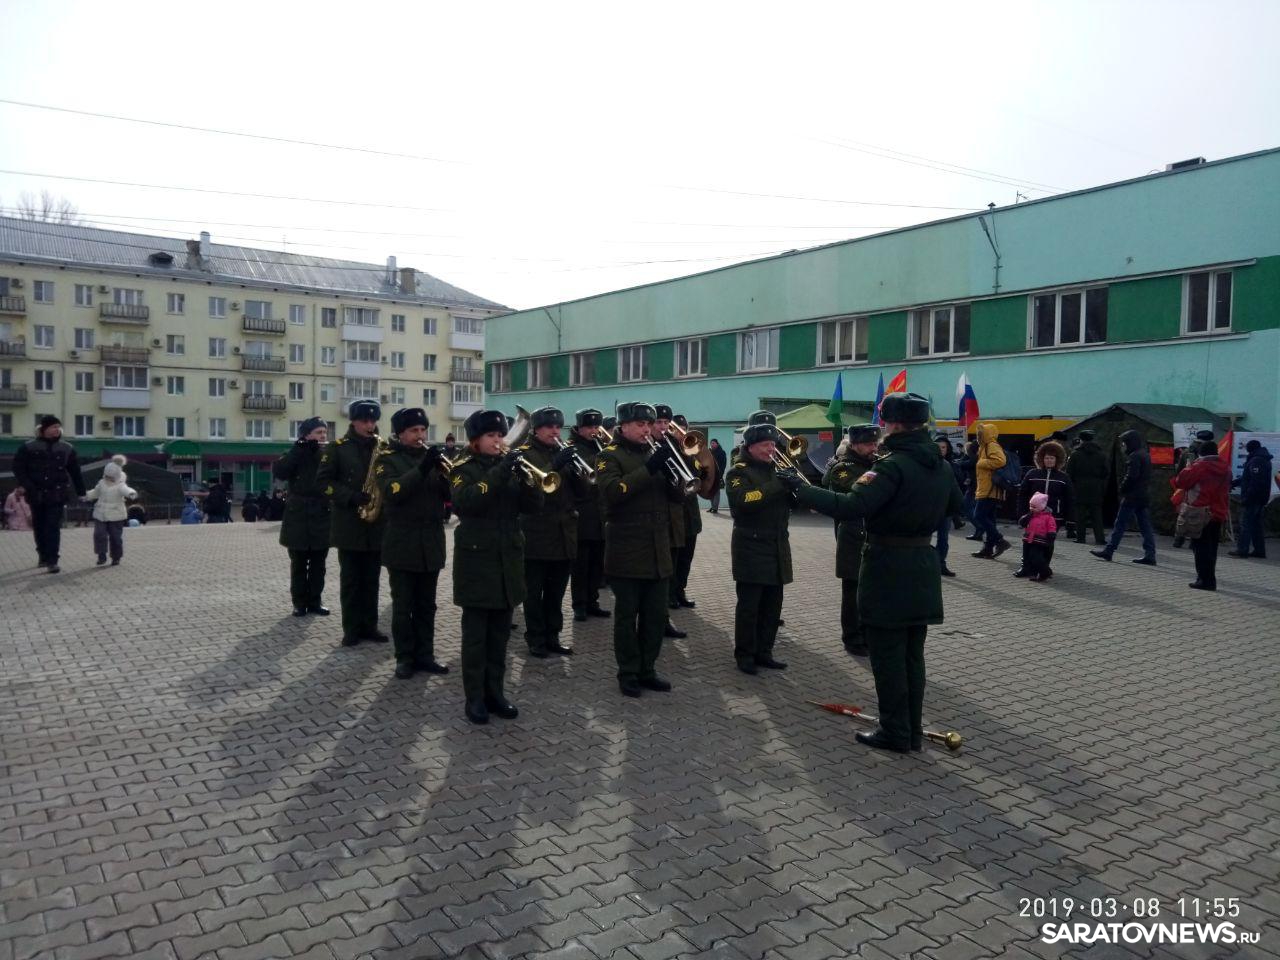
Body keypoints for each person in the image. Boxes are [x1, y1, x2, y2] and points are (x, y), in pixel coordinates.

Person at [787, 393, 964, 754]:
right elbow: (956, 506)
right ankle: (911, 730)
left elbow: (852, 506)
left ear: (893, 424)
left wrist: (802, 489)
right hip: (923, 563)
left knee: (887, 657)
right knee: (913, 656)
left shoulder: (890, 466)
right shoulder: (941, 465)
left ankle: (895, 732)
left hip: (888, 566)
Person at [451, 408, 543, 723]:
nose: (498, 440)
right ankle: (474, 698)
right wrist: (502, 471)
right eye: (491, 435)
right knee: (477, 638)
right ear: (475, 440)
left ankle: (496, 693)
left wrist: (529, 482)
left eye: (501, 435)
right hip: (477, 561)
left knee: (500, 636)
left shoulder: (510, 466)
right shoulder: (463, 468)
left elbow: (534, 506)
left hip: (508, 560)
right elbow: (467, 502)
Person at [596, 401, 685, 697]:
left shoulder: (653, 452)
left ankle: (648, 669)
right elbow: (613, 492)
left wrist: (676, 476)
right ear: (623, 426)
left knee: (655, 616)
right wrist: (649, 469)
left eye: (649, 424)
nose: (646, 429)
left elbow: (677, 497)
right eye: (640, 424)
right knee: (627, 617)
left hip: (658, 550)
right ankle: (628, 671)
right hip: (627, 550)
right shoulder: (609, 456)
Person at [378, 407, 451, 678]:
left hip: (431, 541)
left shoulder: (433, 459)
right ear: (400, 433)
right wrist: (422, 468)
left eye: (423, 430)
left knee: (427, 605)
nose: (420, 435)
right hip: (402, 541)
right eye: (413, 431)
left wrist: (445, 477)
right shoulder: (387, 459)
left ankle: (425, 655)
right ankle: (404, 657)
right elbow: (392, 492)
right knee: (403, 606)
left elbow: (450, 495)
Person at [518, 406, 589, 658]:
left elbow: (583, 494)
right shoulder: (524, 454)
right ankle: (535, 638)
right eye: (549, 427)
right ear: (536, 429)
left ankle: (553, 635)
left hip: (563, 534)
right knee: (533, 592)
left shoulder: (565, 451)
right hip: (536, 533)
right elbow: (529, 492)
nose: (555, 431)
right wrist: (555, 465)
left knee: (556, 592)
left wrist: (579, 474)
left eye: (558, 427)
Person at [317, 400, 389, 646]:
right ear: (354, 422)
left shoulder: (383, 447)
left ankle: (370, 626)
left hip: (375, 523)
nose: (370, 425)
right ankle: (351, 629)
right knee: (351, 581)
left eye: (373, 421)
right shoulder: (337, 448)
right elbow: (323, 483)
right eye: (364, 421)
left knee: (371, 579)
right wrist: (350, 496)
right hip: (349, 524)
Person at [725, 421, 792, 675]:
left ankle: (765, 651)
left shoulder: (778, 469)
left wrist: (796, 488)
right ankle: (745, 654)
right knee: (749, 607)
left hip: (777, 545)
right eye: (766, 445)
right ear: (751, 446)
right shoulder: (738, 473)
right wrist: (779, 485)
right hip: (750, 546)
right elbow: (745, 500)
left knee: (772, 606)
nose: (771, 449)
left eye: (773, 444)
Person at [822, 423, 879, 654]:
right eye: (868, 444)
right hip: (852, 536)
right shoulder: (842, 468)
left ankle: (867, 633)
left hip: (872, 536)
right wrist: (881, 471)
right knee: (852, 589)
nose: (873, 448)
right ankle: (852, 637)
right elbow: (858, 492)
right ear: (854, 445)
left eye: (875, 443)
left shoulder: (874, 464)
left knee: (870, 589)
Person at [274, 417, 333, 617]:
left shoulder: (327, 453)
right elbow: (281, 472)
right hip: (297, 515)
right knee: (298, 563)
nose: (323, 436)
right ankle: (299, 603)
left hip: (321, 513)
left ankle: (315, 601)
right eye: (318, 432)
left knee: (319, 564)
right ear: (306, 435)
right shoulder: (295, 452)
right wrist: (299, 449)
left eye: (324, 432)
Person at [12, 415, 86, 573]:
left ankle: (53, 561)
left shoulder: (67, 448)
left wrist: (81, 492)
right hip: (36, 493)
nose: (57, 430)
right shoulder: (28, 447)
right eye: (53, 427)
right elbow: (18, 469)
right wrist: (28, 486)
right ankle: (43, 556)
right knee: (39, 526)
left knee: (53, 526)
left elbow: (75, 471)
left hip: (57, 493)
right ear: (44, 429)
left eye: (58, 427)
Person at [651, 404, 690, 639]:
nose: (663, 427)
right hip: (654, 521)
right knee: (656, 576)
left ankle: (664, 619)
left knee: (669, 571)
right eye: (658, 422)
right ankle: (656, 620)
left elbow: (686, 478)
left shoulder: (673, 445)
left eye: (666, 423)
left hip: (673, 518)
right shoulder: (645, 447)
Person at [569, 408, 610, 622]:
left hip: (601, 515)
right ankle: (579, 605)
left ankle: (593, 602)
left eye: (596, 427)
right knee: (581, 565)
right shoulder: (572, 448)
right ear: (579, 428)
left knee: (597, 563)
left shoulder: (602, 445)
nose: (594, 431)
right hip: (583, 515)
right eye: (589, 427)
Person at [1092, 430, 1156, 565]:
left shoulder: (1134, 456)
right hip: (1143, 495)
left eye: (1124, 443)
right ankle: (1150, 554)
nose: (1123, 446)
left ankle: (1109, 550)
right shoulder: (1145, 454)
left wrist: (1122, 488)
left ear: (1130, 443)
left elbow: (1132, 476)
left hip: (1132, 496)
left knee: (1120, 524)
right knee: (1145, 526)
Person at [1173, 441, 1231, 590]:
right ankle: (1210, 578)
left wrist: (1188, 465)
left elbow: (1180, 481)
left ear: (1200, 453)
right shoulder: (1226, 467)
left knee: (1199, 547)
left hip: (1200, 512)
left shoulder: (1199, 466)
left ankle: (1204, 580)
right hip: (1218, 511)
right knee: (1212, 548)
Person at [669, 413, 708, 610]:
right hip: (674, 513)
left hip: (690, 513)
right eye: (678, 428)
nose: (682, 432)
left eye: (684, 428)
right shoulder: (666, 449)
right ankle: (670, 594)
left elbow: (699, 475)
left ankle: (680, 591)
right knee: (674, 559)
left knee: (686, 559)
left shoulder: (692, 450)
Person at [85, 454, 136, 566]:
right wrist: (86, 496)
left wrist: (131, 493)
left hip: (116, 514)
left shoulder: (121, 485)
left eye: (111, 477)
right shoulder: (101, 483)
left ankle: (116, 557)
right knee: (99, 534)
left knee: (115, 537)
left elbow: (126, 490)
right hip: (100, 513)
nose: (108, 478)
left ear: (117, 476)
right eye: (107, 476)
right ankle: (101, 555)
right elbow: (95, 492)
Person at [971, 423, 1012, 559]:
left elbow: (1000, 461)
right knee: (989, 519)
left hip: (990, 489)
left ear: (987, 434)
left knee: (979, 515)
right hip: (987, 488)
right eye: (978, 433)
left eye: (981, 433)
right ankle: (988, 549)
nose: (979, 436)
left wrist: (981, 463)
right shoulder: (984, 447)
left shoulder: (992, 445)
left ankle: (1000, 541)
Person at [1229, 439, 1273, 559]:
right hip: (1260, 498)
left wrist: (1247, 497)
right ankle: (1259, 550)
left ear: (1251, 448)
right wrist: (1234, 483)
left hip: (1253, 498)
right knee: (1256, 526)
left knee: (1246, 524)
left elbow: (1255, 482)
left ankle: (1242, 549)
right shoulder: (1262, 458)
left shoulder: (1256, 460)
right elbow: (1247, 478)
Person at [1065, 429, 1108, 545]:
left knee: (1080, 514)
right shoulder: (1101, 454)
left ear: (1080, 440)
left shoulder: (1075, 454)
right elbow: (1105, 472)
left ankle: (1081, 538)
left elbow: (1069, 472)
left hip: (1079, 487)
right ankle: (1100, 538)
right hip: (1096, 487)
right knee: (1097, 514)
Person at [933, 434, 962, 578]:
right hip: (930, 507)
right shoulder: (927, 464)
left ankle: (941, 564)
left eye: (943, 447)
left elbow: (958, 484)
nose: (941, 450)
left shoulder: (952, 465)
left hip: (946, 508)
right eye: (938, 447)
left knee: (943, 538)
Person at [1017, 492, 1058, 582]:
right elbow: (1022, 523)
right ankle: (1029, 571)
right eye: (1030, 506)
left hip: (1040, 540)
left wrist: (1051, 534)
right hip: (1028, 539)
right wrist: (1025, 518)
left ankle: (1045, 571)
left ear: (1041, 507)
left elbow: (1052, 526)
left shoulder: (1048, 517)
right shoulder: (1030, 515)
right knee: (1026, 555)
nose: (1032, 508)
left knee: (1036, 557)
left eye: (1034, 507)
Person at [957, 440, 979, 539]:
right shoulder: (975, 457)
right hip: (974, 486)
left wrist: (967, 453)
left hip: (973, 486)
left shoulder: (974, 458)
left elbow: (963, 464)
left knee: (966, 506)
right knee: (973, 507)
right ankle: (979, 530)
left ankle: (979, 526)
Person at [708, 438, 728, 513]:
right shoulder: (709, 452)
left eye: (713, 443)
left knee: (716, 491)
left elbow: (723, 464)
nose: (712, 444)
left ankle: (715, 508)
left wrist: (720, 474)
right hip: (709, 474)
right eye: (711, 443)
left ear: (717, 444)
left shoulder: (721, 452)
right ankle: (712, 506)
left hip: (717, 474)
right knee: (710, 491)